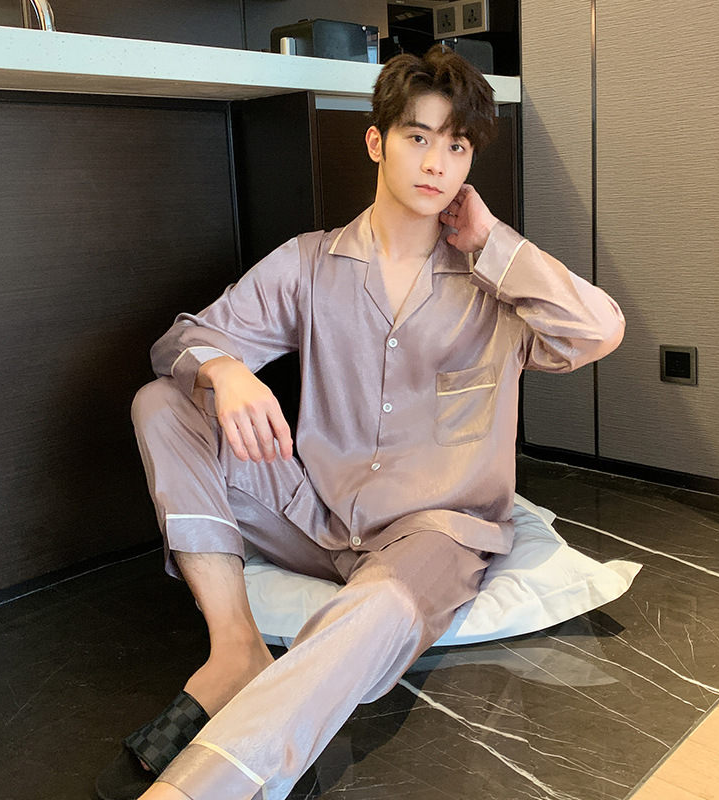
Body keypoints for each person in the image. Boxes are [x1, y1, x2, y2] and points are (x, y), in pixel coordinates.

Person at [96, 43, 625, 800]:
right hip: (318, 516)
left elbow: (598, 330)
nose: (436, 163)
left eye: (457, 146)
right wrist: (225, 370)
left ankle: (205, 786)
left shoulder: (497, 286)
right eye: (418, 136)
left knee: (371, 612)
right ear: (376, 142)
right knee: (162, 403)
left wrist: (491, 242)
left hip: (435, 535)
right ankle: (235, 648)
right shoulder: (310, 264)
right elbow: (179, 342)